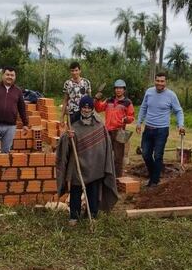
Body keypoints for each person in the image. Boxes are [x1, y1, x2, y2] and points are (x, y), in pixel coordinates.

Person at [56, 95, 119, 226]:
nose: (86, 110)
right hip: (77, 165)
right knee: (75, 191)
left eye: (89, 107)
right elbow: (64, 144)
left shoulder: (99, 125)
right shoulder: (73, 125)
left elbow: (105, 146)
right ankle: (74, 215)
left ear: (92, 109)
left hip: (95, 166)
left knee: (93, 192)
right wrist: (68, 137)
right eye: (84, 107)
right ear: (80, 108)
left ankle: (93, 214)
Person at [135, 73, 185, 187]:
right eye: (158, 81)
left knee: (158, 155)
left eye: (162, 81)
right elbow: (143, 107)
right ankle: (154, 175)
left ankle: (154, 182)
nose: (159, 83)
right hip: (148, 129)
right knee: (146, 154)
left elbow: (178, 111)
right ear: (155, 81)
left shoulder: (171, 95)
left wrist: (180, 125)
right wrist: (139, 122)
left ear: (165, 82)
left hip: (161, 131)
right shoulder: (149, 92)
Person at [94, 79, 135, 177]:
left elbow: (132, 117)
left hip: (119, 132)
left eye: (120, 88)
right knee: (105, 154)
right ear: (114, 89)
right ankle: (105, 176)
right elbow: (99, 108)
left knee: (118, 157)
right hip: (107, 131)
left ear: (124, 90)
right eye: (117, 88)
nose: (118, 90)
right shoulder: (109, 100)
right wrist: (97, 99)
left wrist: (126, 119)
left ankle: (117, 178)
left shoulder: (127, 102)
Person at [61, 61, 91, 125]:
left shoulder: (86, 82)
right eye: (72, 71)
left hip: (84, 113)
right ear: (70, 72)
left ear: (80, 71)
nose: (74, 73)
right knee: (72, 133)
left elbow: (90, 99)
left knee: (84, 133)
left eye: (76, 70)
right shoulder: (67, 83)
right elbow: (65, 100)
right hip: (72, 114)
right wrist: (62, 117)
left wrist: (91, 113)